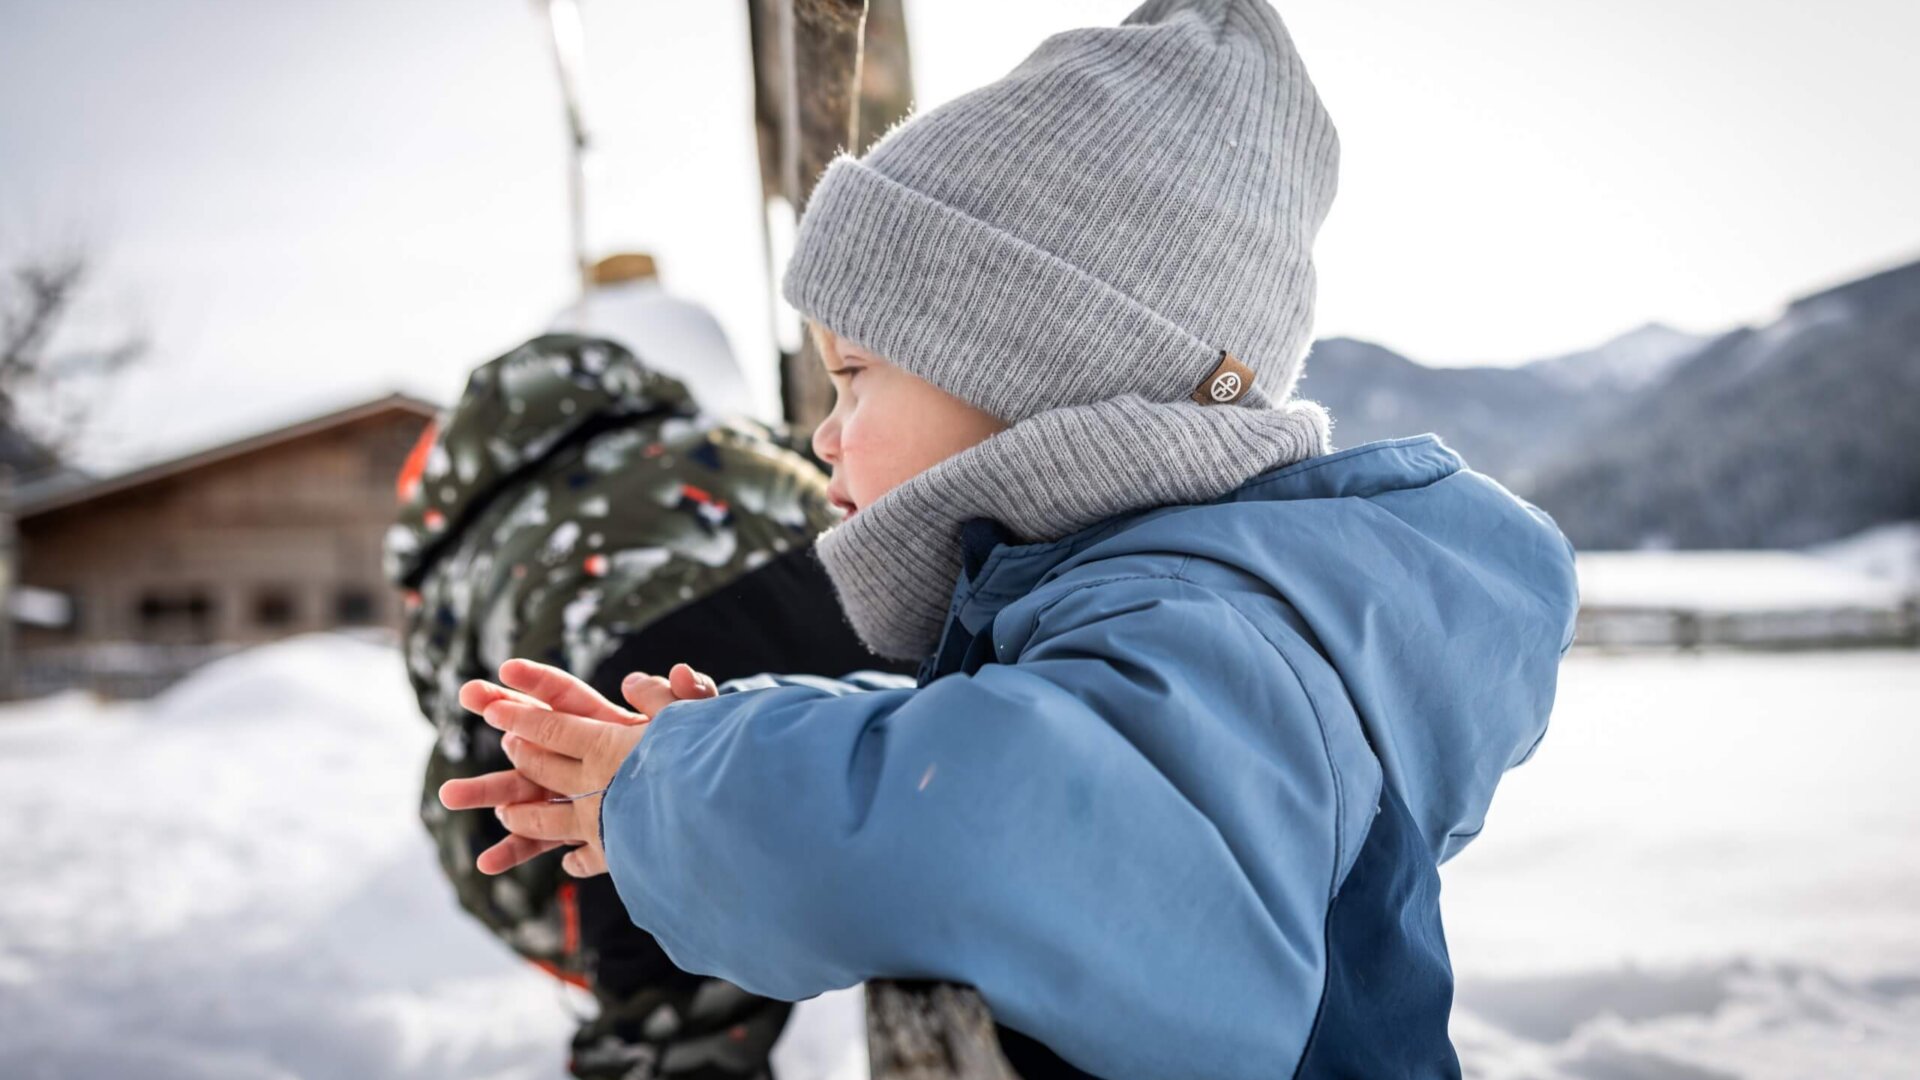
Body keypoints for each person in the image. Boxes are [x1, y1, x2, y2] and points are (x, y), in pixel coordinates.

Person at [445, 1, 1582, 1076]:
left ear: (1033, 373)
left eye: (852, 378)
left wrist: (684, 788)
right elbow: (1025, 756)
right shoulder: (1159, 615)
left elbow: (997, 821)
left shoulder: (1210, 626)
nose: (821, 434)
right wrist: (744, 728)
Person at [386, 329, 909, 1079]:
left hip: (637, 689)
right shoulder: (718, 430)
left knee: (671, 1000)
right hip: (853, 608)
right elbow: (824, 465)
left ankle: (662, 1014)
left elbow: (465, 715)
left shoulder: (465, 554)